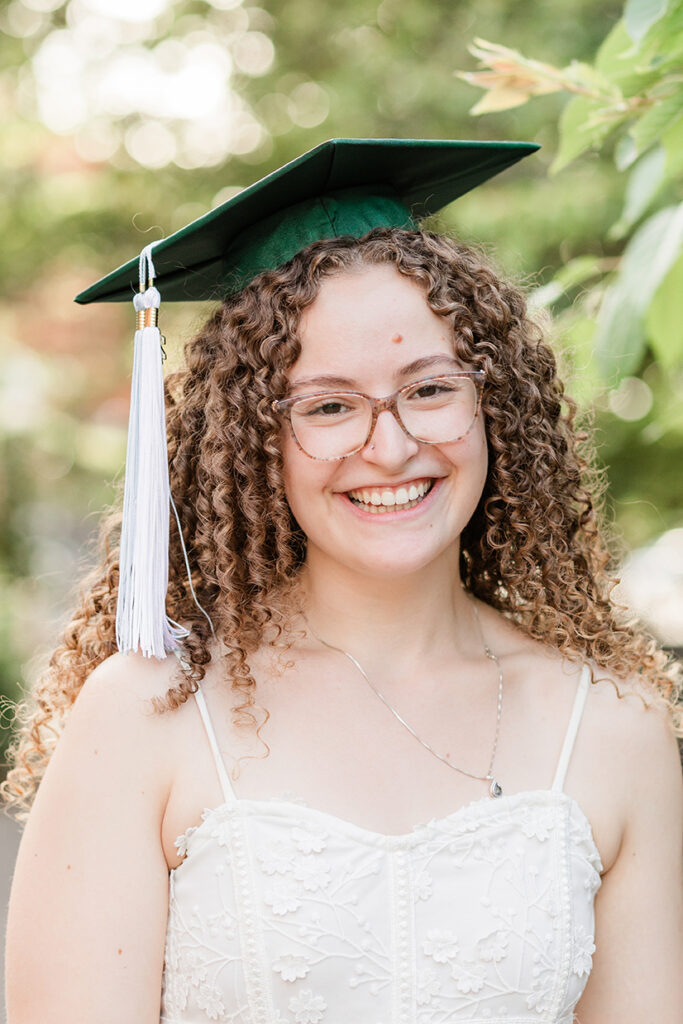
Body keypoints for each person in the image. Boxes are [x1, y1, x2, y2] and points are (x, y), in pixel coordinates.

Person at [3, 139, 682, 1024]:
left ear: (495, 404)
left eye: (429, 389)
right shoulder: (149, 716)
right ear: (255, 441)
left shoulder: (612, 723)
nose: (391, 445)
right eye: (328, 406)